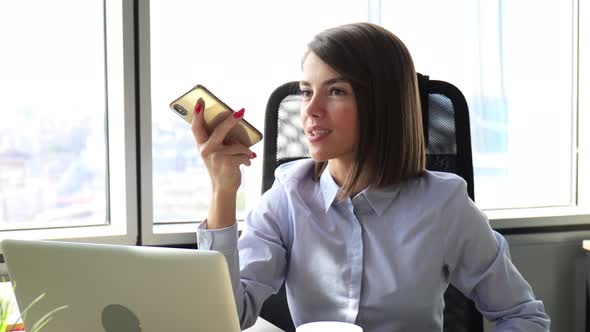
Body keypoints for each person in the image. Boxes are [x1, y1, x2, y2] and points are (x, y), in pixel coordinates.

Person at [191, 22, 550, 332]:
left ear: (382, 104)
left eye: (336, 91)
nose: (310, 111)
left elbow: (523, 315)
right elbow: (227, 318)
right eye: (306, 92)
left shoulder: (444, 204)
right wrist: (223, 190)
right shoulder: (288, 195)